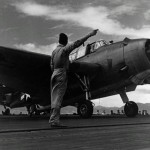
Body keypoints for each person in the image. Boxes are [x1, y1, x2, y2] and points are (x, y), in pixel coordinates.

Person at [49, 29, 98, 127]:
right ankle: (54, 121)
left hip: (54, 73)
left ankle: (52, 119)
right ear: (65, 41)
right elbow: (77, 43)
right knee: (59, 98)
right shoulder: (64, 50)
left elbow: (51, 65)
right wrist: (90, 34)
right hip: (61, 73)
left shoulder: (54, 52)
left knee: (54, 99)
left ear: (59, 41)